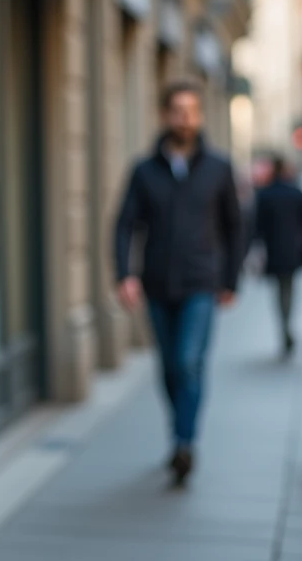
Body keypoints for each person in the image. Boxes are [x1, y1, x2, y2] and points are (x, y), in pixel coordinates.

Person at [114, 81, 244, 486]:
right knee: (169, 367)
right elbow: (123, 225)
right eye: (177, 110)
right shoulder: (144, 170)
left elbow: (236, 227)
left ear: (200, 116)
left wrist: (231, 279)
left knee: (189, 361)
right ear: (165, 115)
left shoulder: (219, 168)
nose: (185, 117)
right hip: (157, 283)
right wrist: (124, 274)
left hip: (202, 283)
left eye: (191, 110)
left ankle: (184, 442)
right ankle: (180, 430)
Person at [252, 155, 302, 355]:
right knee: (289, 290)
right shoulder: (296, 193)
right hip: (293, 251)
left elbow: (257, 227)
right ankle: (287, 324)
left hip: (274, 251)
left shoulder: (265, 194)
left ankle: (284, 324)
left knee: (280, 292)